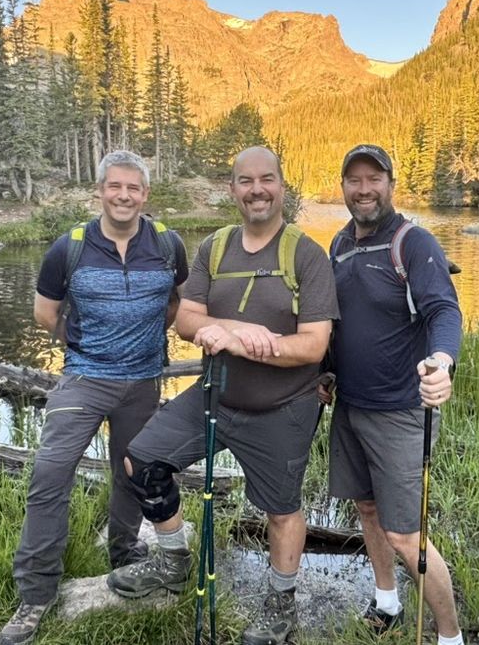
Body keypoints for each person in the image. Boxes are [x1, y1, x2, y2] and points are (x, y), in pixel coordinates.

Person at [107, 146, 339, 645]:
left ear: (282, 185)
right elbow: (187, 320)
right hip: (213, 396)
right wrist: (232, 327)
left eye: (267, 179)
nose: (257, 189)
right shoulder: (214, 246)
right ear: (232, 189)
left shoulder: (306, 254)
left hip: (283, 408)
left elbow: (315, 345)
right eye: (245, 181)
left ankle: (281, 604)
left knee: (281, 510)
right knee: (141, 462)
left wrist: (248, 343)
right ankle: (173, 561)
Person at [0, 150, 188, 645]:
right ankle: (36, 594)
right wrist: (92, 345)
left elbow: (177, 304)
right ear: (100, 190)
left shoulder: (168, 245)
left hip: (144, 380)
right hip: (84, 377)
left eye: (133, 188)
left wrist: (142, 339)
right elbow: (46, 314)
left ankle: (125, 556)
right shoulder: (70, 247)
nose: (124, 195)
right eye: (115, 187)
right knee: (50, 472)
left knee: (132, 471)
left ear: (145, 195)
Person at [319, 144, 465, 644]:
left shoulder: (414, 242)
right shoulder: (338, 246)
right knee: (366, 510)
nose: (364, 189)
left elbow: (444, 311)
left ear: (390, 185)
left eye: (373, 179)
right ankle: (387, 602)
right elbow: (337, 324)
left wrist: (442, 362)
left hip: (402, 412)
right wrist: (325, 371)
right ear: (343, 187)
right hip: (350, 407)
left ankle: (450, 636)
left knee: (406, 534)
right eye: (354, 180)